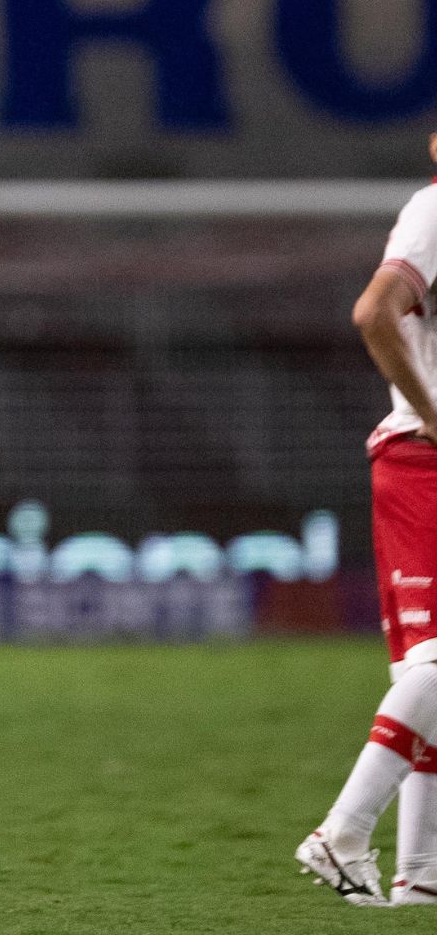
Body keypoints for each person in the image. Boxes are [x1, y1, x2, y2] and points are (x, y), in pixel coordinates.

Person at [297, 132, 437, 906]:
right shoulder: (435, 213)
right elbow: (373, 312)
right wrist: (433, 415)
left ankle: (422, 878)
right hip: (425, 460)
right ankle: (343, 834)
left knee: (428, 681)